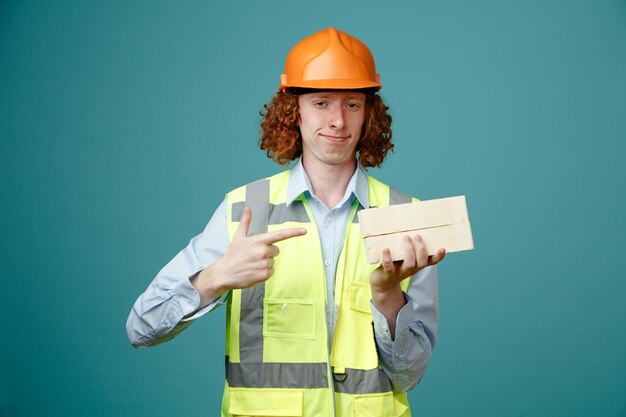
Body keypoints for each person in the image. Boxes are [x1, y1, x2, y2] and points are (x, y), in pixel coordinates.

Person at [127, 27, 445, 417]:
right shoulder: (244, 209)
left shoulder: (404, 215)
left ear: (368, 114)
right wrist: (217, 276)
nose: (337, 122)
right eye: (321, 103)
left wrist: (388, 298)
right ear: (293, 110)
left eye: (351, 105)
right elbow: (141, 328)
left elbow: (409, 376)